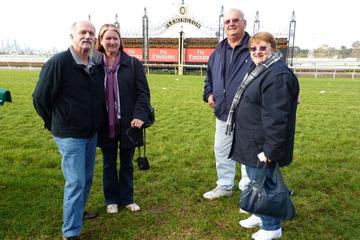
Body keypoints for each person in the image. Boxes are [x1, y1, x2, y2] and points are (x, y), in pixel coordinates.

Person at [32, 20, 104, 240]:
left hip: (90, 133)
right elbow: (40, 98)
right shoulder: (59, 63)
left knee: (87, 178)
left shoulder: (93, 63)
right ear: (72, 36)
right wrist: (54, 123)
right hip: (70, 135)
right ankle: (71, 232)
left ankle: (77, 214)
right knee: (76, 182)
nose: (88, 36)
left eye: (91, 33)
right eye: (83, 32)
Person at [227, 32, 299, 240]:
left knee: (266, 184)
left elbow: (277, 117)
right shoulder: (261, 70)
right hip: (251, 139)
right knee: (254, 180)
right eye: (253, 48)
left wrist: (271, 150)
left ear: (273, 50)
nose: (257, 52)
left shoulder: (277, 75)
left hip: (262, 143)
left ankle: (272, 227)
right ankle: (260, 214)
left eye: (262, 48)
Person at [94, 24, 151, 214]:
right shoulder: (94, 65)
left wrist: (139, 115)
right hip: (104, 124)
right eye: (107, 38)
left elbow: (143, 93)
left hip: (128, 123)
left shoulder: (133, 64)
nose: (111, 42)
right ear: (101, 41)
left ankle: (127, 198)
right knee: (109, 162)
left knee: (127, 163)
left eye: (115, 38)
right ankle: (111, 199)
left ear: (120, 42)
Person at [203, 8, 253, 200]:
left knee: (248, 153)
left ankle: (248, 189)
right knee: (222, 150)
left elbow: (276, 70)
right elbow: (209, 80)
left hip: (248, 114)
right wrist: (208, 95)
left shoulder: (254, 47)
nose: (231, 24)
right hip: (223, 113)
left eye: (235, 20)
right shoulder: (217, 51)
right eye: (227, 22)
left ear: (244, 23)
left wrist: (293, 90)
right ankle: (224, 185)